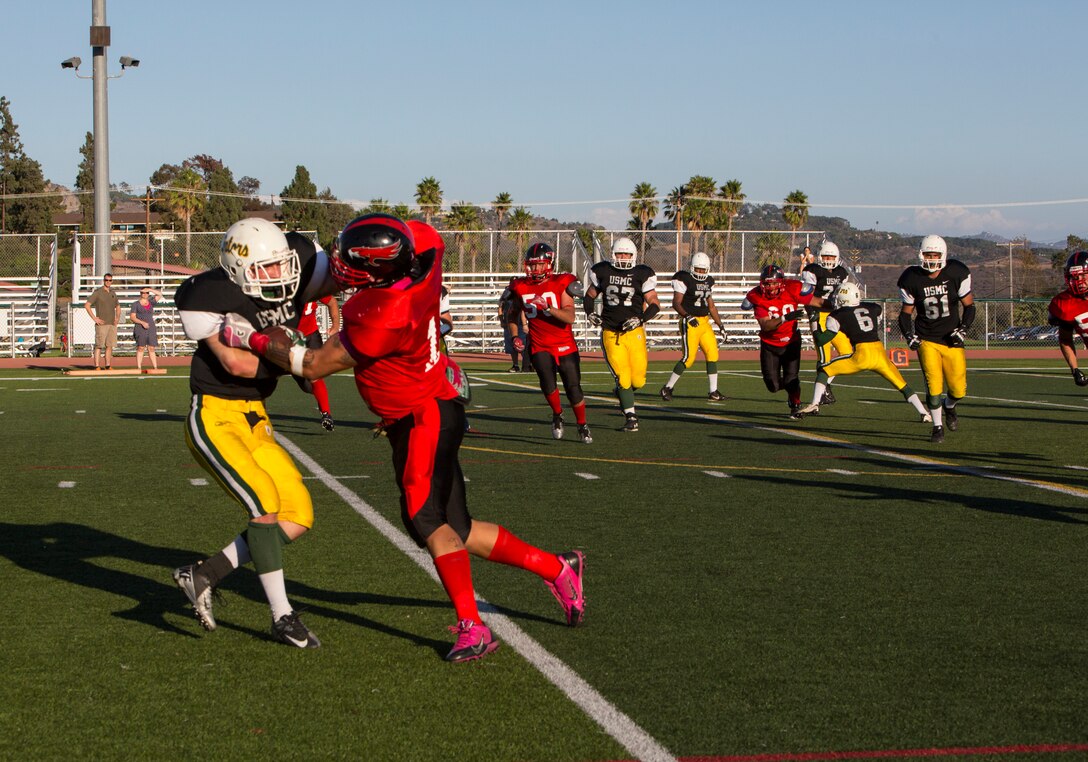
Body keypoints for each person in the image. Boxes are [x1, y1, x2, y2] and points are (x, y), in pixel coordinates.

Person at [221, 214, 586, 663]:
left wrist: (253, 338)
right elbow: (416, 231)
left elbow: (312, 364)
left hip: (421, 416)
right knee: (461, 528)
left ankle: (473, 626)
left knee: (426, 520)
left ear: (377, 271)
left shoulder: (382, 312)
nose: (342, 263)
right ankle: (558, 568)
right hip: (432, 400)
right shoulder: (424, 255)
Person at [171, 217, 336, 649]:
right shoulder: (209, 295)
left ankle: (203, 575)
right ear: (238, 270)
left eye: (282, 266)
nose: (281, 276)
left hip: (256, 417)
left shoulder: (298, 266)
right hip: (214, 416)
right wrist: (291, 354)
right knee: (264, 503)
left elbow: (334, 278)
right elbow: (237, 365)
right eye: (267, 270)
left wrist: (302, 343)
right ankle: (282, 616)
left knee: (297, 514)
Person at [796, 282, 931, 420]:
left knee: (824, 370)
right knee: (903, 386)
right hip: (880, 354)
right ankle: (924, 413)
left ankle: (814, 404)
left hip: (861, 355)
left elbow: (821, 340)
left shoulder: (837, 315)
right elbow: (875, 312)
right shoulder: (873, 307)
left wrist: (815, 324)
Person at [508, 242, 593, 444]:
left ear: (549, 264)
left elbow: (570, 317)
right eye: (533, 265)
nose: (536, 269)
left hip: (564, 345)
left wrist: (548, 308)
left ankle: (582, 424)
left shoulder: (562, 282)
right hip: (539, 345)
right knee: (548, 385)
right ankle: (557, 414)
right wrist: (514, 336)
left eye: (540, 264)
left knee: (573, 389)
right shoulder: (520, 287)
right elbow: (511, 316)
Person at [897, 234, 975, 444]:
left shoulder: (956, 272)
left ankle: (950, 406)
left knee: (959, 389)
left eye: (935, 254)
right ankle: (937, 427)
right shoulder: (911, 278)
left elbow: (969, 306)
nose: (931, 259)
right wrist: (909, 336)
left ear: (944, 255)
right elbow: (905, 314)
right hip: (927, 339)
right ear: (920, 254)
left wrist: (963, 330)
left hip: (951, 339)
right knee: (933, 386)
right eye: (928, 254)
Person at [584, 236, 661, 432]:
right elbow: (590, 295)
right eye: (620, 253)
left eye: (627, 253)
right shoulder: (603, 271)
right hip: (611, 332)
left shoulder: (642, 273)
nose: (623, 257)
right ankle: (631, 416)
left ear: (634, 255)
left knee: (639, 380)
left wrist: (641, 319)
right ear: (613, 255)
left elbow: (654, 303)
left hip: (634, 333)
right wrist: (590, 313)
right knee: (624, 377)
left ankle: (622, 393)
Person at [741, 264, 825, 418]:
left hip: (791, 342)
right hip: (770, 344)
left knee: (791, 378)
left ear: (781, 282)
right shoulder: (757, 297)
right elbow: (766, 325)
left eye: (774, 283)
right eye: (767, 283)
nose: (771, 287)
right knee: (772, 386)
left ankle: (795, 403)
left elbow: (818, 302)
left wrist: (840, 306)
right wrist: (785, 318)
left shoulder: (792, 288)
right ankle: (791, 391)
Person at [289, 232, 341, 432]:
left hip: (310, 335)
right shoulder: (286, 285)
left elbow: (332, 302)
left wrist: (335, 325)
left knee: (314, 377)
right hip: (289, 338)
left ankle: (326, 414)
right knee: (305, 385)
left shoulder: (314, 284)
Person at [659, 251, 726, 402]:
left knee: (713, 354)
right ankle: (667, 388)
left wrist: (720, 325)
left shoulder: (709, 281)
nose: (701, 273)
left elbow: (712, 306)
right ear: (692, 268)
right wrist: (687, 316)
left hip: (704, 322)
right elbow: (676, 302)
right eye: (698, 269)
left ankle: (713, 391)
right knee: (688, 358)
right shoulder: (684, 279)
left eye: (703, 269)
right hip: (689, 322)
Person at [801, 240, 852, 405]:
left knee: (847, 352)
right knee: (824, 357)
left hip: (836, 317)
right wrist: (813, 314)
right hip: (820, 315)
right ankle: (820, 393)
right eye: (826, 256)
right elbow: (806, 296)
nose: (829, 259)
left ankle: (826, 385)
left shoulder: (842, 272)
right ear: (820, 257)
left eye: (832, 256)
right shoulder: (812, 270)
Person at [1047, 250, 1088, 387]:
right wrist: (1075, 369)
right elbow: (1065, 339)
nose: (1079, 281)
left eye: (1083, 276)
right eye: (1075, 277)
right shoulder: (1065, 304)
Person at [84, 273, 121, 370]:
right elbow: (87, 305)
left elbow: (117, 306)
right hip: (102, 324)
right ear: (103, 280)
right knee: (99, 345)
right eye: (106, 280)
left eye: (110, 280)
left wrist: (117, 318)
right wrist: (94, 318)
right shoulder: (98, 292)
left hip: (111, 323)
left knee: (109, 345)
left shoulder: (113, 293)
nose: (108, 282)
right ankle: (97, 365)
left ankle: (108, 365)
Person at [498, 279, 530, 372]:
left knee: (523, 345)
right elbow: (501, 307)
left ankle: (527, 365)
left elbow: (523, 310)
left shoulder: (522, 293)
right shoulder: (507, 293)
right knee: (513, 345)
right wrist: (502, 320)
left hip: (520, 322)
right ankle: (515, 365)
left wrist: (524, 324)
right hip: (510, 322)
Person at [130, 286, 163, 373]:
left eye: (146, 293)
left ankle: (155, 367)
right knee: (141, 347)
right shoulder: (136, 304)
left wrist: (150, 290)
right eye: (143, 293)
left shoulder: (151, 302)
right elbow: (132, 317)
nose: (145, 294)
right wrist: (142, 323)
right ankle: (139, 367)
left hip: (151, 327)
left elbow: (160, 294)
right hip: (140, 327)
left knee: (151, 347)